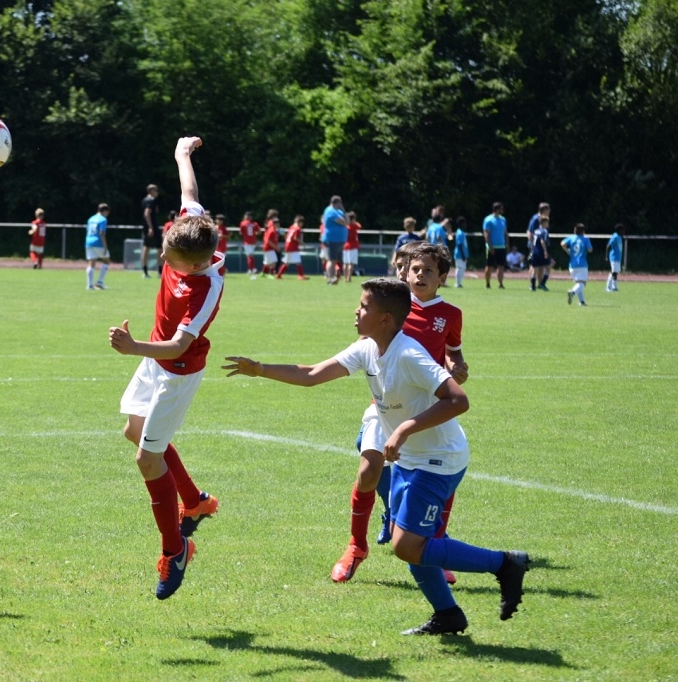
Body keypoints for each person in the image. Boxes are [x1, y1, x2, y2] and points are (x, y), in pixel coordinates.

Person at [223, 277, 529, 636]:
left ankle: (504, 564)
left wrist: (404, 428)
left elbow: (458, 400)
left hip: (438, 458)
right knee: (411, 543)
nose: (356, 311)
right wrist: (260, 369)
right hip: (410, 458)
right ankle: (448, 614)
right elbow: (311, 374)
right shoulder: (367, 347)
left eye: (364, 306)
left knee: (408, 545)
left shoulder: (409, 354)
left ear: (385, 318)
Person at [109, 136, 223, 600]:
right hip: (155, 360)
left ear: (194, 265)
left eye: (170, 260)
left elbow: (178, 344)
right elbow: (189, 193)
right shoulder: (190, 230)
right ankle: (195, 501)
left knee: (146, 459)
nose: (162, 259)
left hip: (175, 372)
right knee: (133, 432)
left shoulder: (205, 289)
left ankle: (175, 550)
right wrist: (181, 154)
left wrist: (133, 346)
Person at [331, 242, 468, 587]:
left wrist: (456, 366)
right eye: (414, 269)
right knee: (368, 471)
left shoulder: (450, 314)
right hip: (385, 405)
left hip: (425, 406)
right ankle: (356, 546)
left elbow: (452, 352)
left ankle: (434, 545)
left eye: (428, 271)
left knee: (439, 466)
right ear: (404, 272)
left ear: (443, 278)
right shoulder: (393, 307)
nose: (419, 275)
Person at [562, 223, 593, 306]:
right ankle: (572, 292)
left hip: (572, 265)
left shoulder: (571, 238)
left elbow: (562, 243)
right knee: (582, 283)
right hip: (582, 264)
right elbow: (590, 250)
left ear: (574, 231)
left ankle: (582, 302)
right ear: (583, 231)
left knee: (578, 283)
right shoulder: (585, 239)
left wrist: (568, 251)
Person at [321, 196, 349, 284]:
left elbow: (348, 222)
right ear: (337, 203)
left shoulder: (339, 211)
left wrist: (344, 211)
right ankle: (331, 278)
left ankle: (333, 278)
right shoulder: (330, 211)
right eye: (340, 203)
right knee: (331, 260)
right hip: (331, 240)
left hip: (339, 240)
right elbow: (344, 222)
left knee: (335, 260)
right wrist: (345, 218)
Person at [482, 202, 509, 288]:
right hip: (492, 247)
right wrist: (490, 246)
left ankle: (500, 284)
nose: (502, 210)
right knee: (489, 266)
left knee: (501, 266)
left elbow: (505, 233)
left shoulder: (503, 219)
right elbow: (486, 234)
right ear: (497, 209)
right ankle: (487, 283)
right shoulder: (488, 219)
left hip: (501, 247)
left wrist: (507, 244)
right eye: (501, 208)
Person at [85, 203, 111, 290]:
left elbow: (87, 231)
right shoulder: (103, 219)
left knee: (91, 263)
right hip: (98, 242)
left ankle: (89, 285)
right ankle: (100, 282)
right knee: (106, 261)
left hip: (88, 242)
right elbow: (101, 233)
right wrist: (105, 246)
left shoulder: (90, 219)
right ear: (105, 211)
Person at [276, 215, 308, 280]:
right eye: (302, 223)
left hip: (288, 246)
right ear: (300, 222)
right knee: (298, 262)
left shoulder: (291, 227)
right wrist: (302, 243)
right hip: (293, 247)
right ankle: (301, 276)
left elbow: (288, 236)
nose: (302, 225)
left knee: (287, 263)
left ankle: (279, 275)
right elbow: (295, 238)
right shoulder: (297, 229)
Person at [141, 184, 161, 278]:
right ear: (151, 191)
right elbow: (147, 213)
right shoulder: (151, 200)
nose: (157, 192)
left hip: (146, 227)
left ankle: (145, 272)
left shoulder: (144, 200)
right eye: (156, 190)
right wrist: (151, 227)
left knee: (146, 247)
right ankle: (160, 272)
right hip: (152, 227)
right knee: (159, 248)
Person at [529, 216, 551, 291]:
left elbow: (532, 240)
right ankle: (542, 283)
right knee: (548, 268)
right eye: (547, 222)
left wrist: (532, 250)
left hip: (534, 252)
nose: (548, 224)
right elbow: (542, 241)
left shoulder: (536, 231)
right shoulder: (544, 231)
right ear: (544, 223)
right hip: (541, 252)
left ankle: (533, 287)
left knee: (535, 269)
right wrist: (545, 251)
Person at [238, 211, 261, 278]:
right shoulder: (254, 223)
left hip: (247, 242)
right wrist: (255, 233)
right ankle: (252, 269)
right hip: (252, 241)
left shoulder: (243, 223)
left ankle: (251, 269)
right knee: (250, 256)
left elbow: (241, 232)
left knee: (249, 256)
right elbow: (259, 232)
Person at [450, 217, 469, 287]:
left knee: (462, 268)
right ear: (461, 224)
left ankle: (459, 283)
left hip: (462, 254)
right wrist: (463, 255)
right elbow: (460, 244)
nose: (465, 224)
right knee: (459, 268)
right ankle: (457, 283)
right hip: (459, 254)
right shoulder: (460, 233)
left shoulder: (462, 232)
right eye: (464, 223)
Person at [343, 212, 362, 282]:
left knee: (345, 263)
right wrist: (354, 221)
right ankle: (349, 278)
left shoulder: (345, 226)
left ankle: (345, 278)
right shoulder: (354, 226)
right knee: (351, 263)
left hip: (345, 246)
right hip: (353, 246)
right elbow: (359, 226)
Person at [606, 223, 624, 292]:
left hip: (618, 257)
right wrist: (606, 256)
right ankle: (609, 287)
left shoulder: (619, 237)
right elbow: (608, 246)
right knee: (613, 272)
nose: (623, 232)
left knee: (615, 272)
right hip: (614, 257)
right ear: (619, 230)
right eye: (622, 230)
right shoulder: (615, 237)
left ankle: (613, 287)